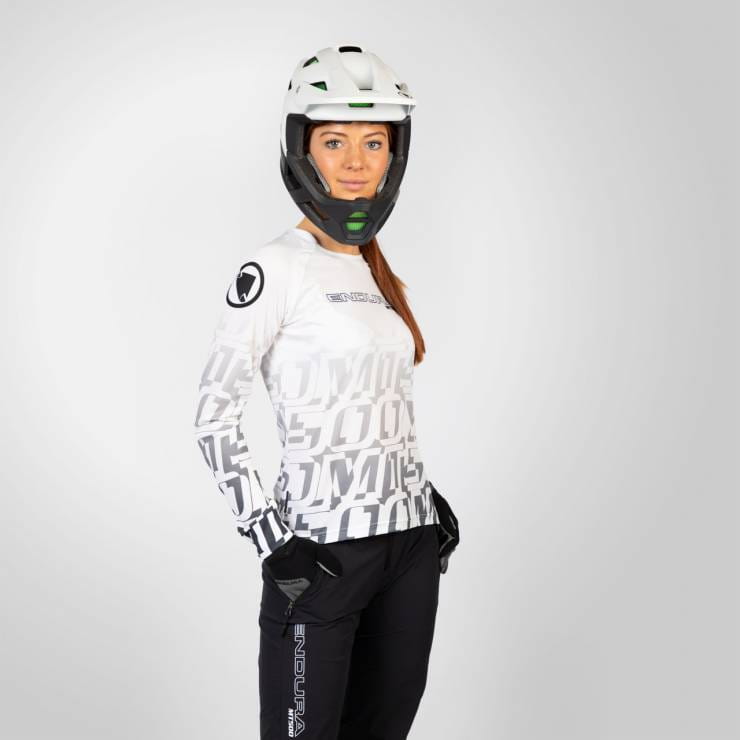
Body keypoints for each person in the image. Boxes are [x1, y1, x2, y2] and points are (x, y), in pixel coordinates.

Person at [193, 43, 460, 739]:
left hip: (409, 548)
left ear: (395, 153)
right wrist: (271, 543)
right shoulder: (274, 268)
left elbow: (373, 403)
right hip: (320, 554)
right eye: (334, 141)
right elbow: (214, 418)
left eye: (374, 142)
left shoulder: (373, 269)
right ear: (302, 149)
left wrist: (423, 501)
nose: (355, 162)